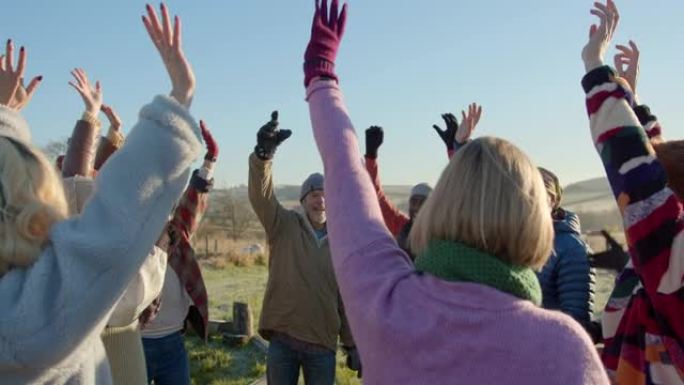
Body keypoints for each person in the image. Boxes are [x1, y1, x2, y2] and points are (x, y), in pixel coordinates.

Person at [302, 1, 609, 384]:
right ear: (536, 220)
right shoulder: (564, 350)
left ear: (442, 204)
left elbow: (344, 172)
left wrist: (321, 75)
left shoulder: (388, 303)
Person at [0, 2, 204, 383]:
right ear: (31, 210)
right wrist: (180, 96)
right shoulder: (47, 305)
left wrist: (5, 118)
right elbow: (119, 207)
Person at [580, 2, 684, 382]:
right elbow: (652, 169)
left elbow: (638, 172)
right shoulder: (664, 265)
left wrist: (596, 68)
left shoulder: (670, 259)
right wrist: (631, 101)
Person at [62, 69, 167, 385]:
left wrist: (92, 119)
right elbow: (80, 186)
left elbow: (80, 185)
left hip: (112, 343)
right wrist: (103, 127)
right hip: (113, 342)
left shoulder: (129, 234)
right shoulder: (139, 236)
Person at [248, 111, 358, 384]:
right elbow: (261, 197)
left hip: (322, 345)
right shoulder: (283, 226)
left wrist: (352, 343)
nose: (320, 200)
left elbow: (345, 299)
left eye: (325, 195)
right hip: (283, 341)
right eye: (314, 195)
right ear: (303, 200)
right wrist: (263, 157)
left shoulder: (343, 242)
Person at [141, 119, 216, 385]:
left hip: (173, 341)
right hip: (136, 342)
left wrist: (209, 161)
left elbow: (194, 199)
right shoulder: (131, 232)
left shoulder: (176, 231)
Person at [363, 104, 481, 257]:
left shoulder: (443, 230)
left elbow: (461, 189)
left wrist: (456, 148)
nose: (417, 206)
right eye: (414, 201)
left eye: (422, 201)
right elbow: (375, 197)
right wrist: (371, 157)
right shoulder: (401, 226)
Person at [536, 167, 597, 341]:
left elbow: (575, 324)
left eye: (535, 194)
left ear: (552, 200)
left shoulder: (572, 248)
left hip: (549, 353)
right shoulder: (514, 241)